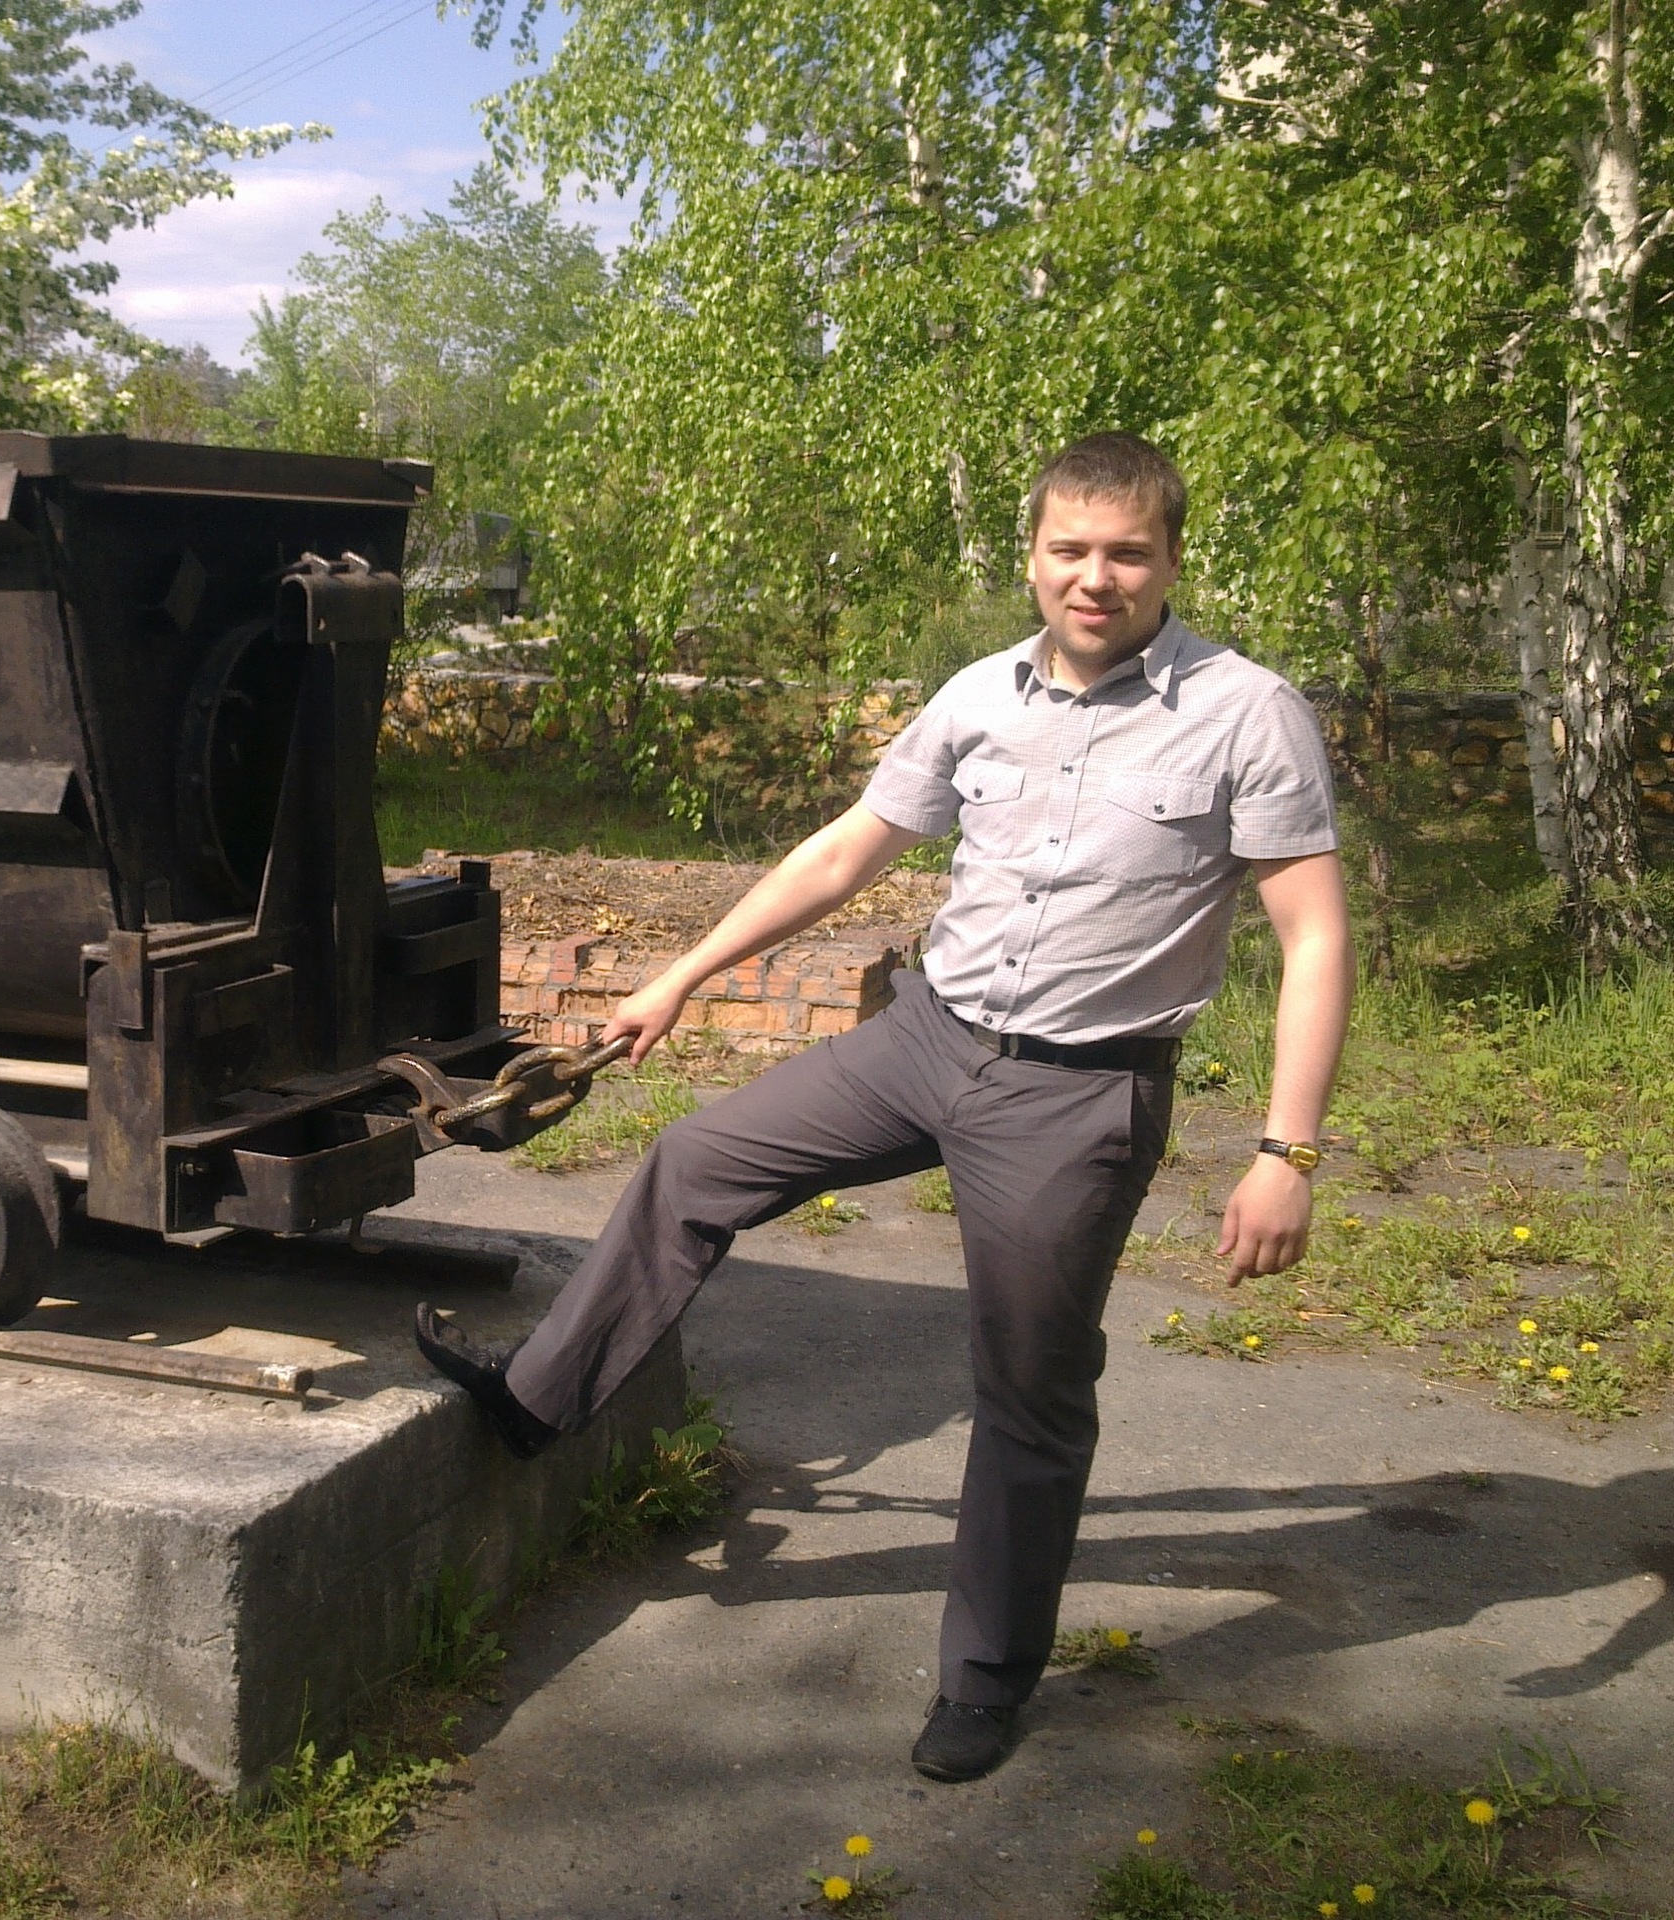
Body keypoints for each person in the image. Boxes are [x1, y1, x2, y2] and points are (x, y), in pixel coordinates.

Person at [415, 431, 1353, 1784]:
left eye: (1127, 553)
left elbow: (1314, 937)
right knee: (696, 1160)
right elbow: (847, 851)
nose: (1095, 578)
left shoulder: (1246, 713)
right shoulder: (980, 696)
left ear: (1170, 560)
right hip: (924, 1037)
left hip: (1078, 1093)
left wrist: (1286, 1152)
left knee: (1028, 1388)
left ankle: (985, 1679)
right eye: (1070, 550)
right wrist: (680, 977)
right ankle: (536, 1403)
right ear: (1033, 556)